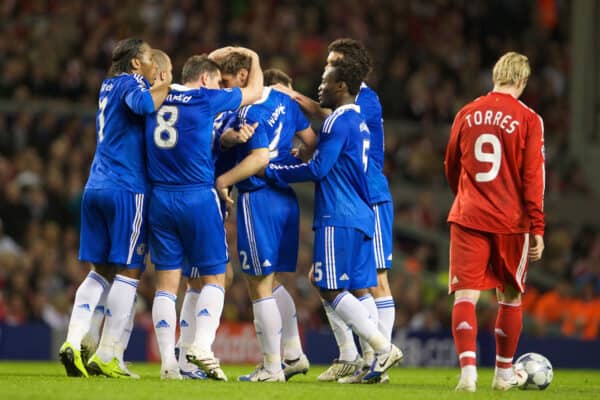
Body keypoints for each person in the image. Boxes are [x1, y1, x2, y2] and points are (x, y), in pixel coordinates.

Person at [265, 58, 403, 384]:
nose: (320, 86)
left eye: (325, 80)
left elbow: (318, 170)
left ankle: (381, 348)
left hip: (337, 214)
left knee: (327, 285)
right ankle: (370, 363)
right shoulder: (358, 121)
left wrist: (272, 170)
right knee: (355, 286)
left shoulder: (336, 122)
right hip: (360, 213)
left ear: (341, 85)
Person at [145, 49, 263, 380]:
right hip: (196, 196)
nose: (217, 87)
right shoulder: (203, 99)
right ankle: (201, 346)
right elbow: (254, 91)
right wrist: (251, 57)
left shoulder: (154, 99)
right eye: (215, 81)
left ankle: (170, 362)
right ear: (203, 80)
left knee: (167, 285)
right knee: (217, 277)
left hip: (160, 198)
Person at [59, 38, 170, 378]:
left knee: (100, 272)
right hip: (126, 189)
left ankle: (73, 341)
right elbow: (143, 105)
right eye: (149, 58)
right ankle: (108, 354)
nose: (153, 65)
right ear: (136, 63)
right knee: (130, 270)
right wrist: (165, 85)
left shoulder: (107, 86)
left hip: (96, 186)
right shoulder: (131, 83)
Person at [444, 51, 545, 392]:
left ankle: (468, 374)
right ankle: (503, 375)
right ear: (522, 80)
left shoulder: (467, 112)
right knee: (510, 297)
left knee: (465, 298)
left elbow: (451, 165)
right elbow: (534, 178)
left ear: (496, 75)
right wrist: (538, 228)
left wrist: (467, 193)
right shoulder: (530, 119)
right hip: (512, 222)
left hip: (469, 215)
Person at [214, 61, 317, 382]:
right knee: (270, 282)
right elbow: (311, 142)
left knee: (258, 285)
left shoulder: (249, 113)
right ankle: (293, 353)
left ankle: (272, 367)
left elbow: (258, 158)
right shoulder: (285, 103)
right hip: (285, 198)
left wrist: (223, 180)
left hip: (258, 197)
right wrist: (294, 154)